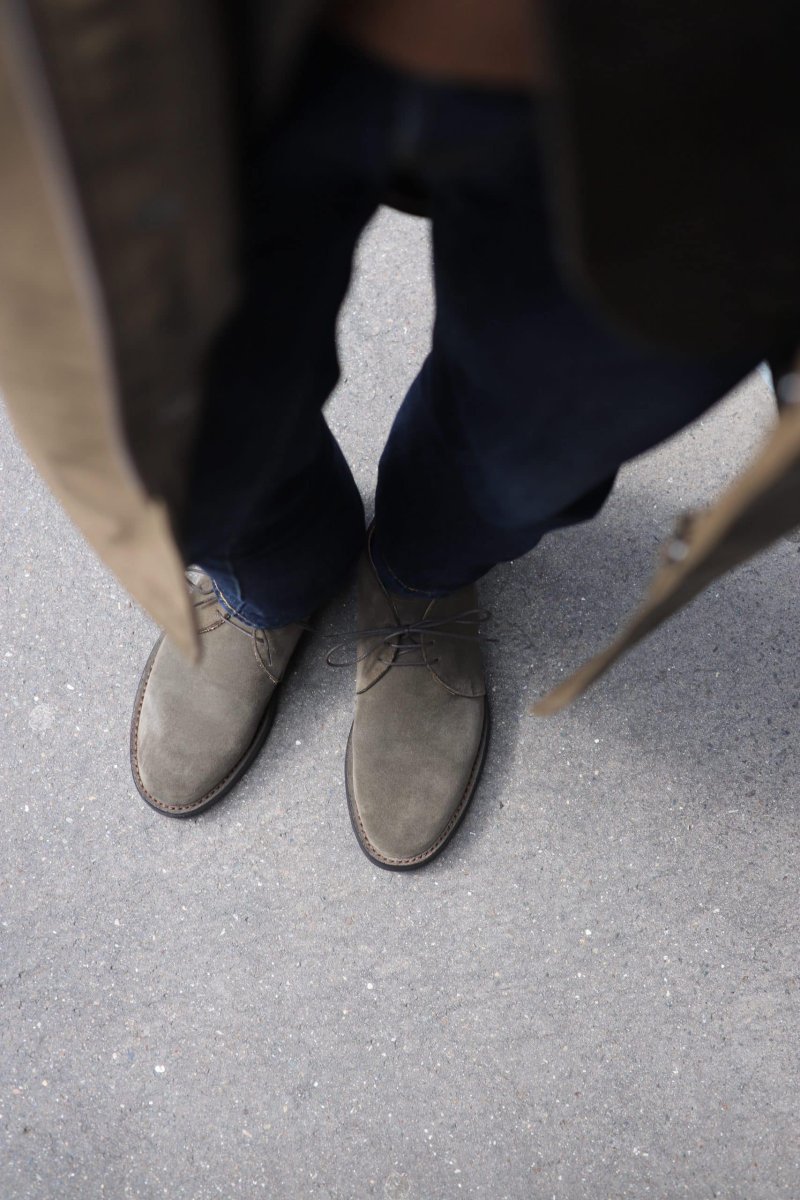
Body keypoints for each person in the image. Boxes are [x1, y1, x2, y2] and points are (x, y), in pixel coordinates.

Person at [128, 0, 768, 867]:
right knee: (185, 392)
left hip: (686, 62)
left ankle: (417, 578)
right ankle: (267, 576)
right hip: (199, 29)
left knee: (545, 429)